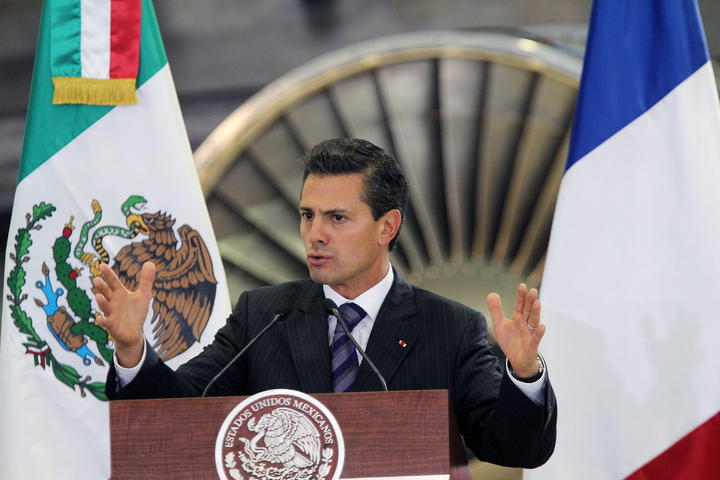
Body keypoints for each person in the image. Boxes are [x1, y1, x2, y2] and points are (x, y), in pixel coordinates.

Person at [94, 138, 556, 468]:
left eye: (337, 218)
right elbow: (174, 420)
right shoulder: (263, 316)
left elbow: (515, 450)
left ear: (387, 227)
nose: (315, 234)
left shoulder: (449, 327)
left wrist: (524, 374)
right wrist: (132, 350)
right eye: (307, 215)